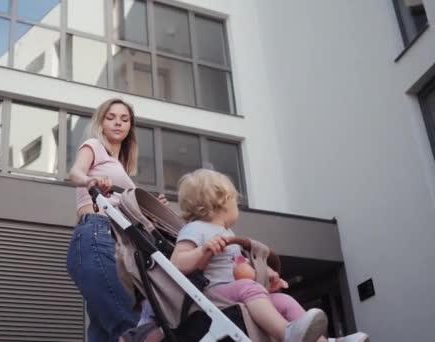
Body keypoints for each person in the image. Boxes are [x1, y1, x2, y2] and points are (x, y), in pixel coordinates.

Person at [171, 168, 369, 342]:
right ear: (221, 202)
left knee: (284, 301)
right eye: (235, 202)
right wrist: (202, 249)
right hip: (212, 295)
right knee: (249, 287)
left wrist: (266, 275)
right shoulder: (195, 229)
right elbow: (177, 263)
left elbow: (239, 269)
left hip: (235, 292)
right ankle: (286, 334)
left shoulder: (228, 234)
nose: (236, 207)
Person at [66, 98, 167, 342]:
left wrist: (151, 208)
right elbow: (75, 172)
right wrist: (89, 181)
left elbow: (128, 210)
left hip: (117, 243)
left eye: (124, 119)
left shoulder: (119, 167)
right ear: (101, 121)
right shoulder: (94, 146)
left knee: (103, 332)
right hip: (97, 233)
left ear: (130, 127)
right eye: (111, 117)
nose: (118, 123)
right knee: (130, 327)